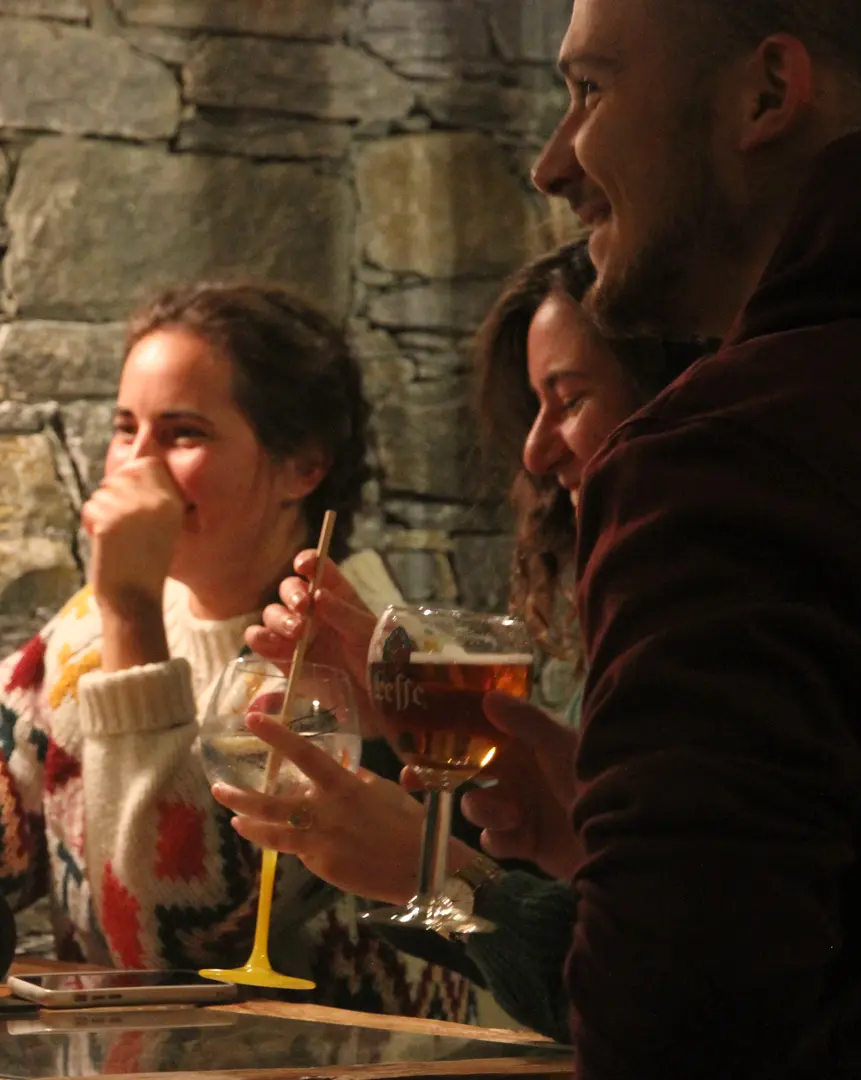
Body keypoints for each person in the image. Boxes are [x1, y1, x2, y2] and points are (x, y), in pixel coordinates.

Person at [527, 1, 861, 1075]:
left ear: (768, 93)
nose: (554, 165)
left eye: (591, 90)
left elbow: (675, 1027)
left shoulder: (736, 460)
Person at [0, 283, 477, 1019]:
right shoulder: (80, 634)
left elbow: (168, 947)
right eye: (124, 428)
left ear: (303, 466)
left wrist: (129, 609)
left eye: (183, 434)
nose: (135, 466)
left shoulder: (357, 670)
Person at [222, 240, 713, 1041]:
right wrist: (391, 717)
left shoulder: (713, 625)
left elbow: (657, 991)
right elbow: (606, 905)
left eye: (570, 399)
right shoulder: (635, 619)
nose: (536, 451)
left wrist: (448, 880)